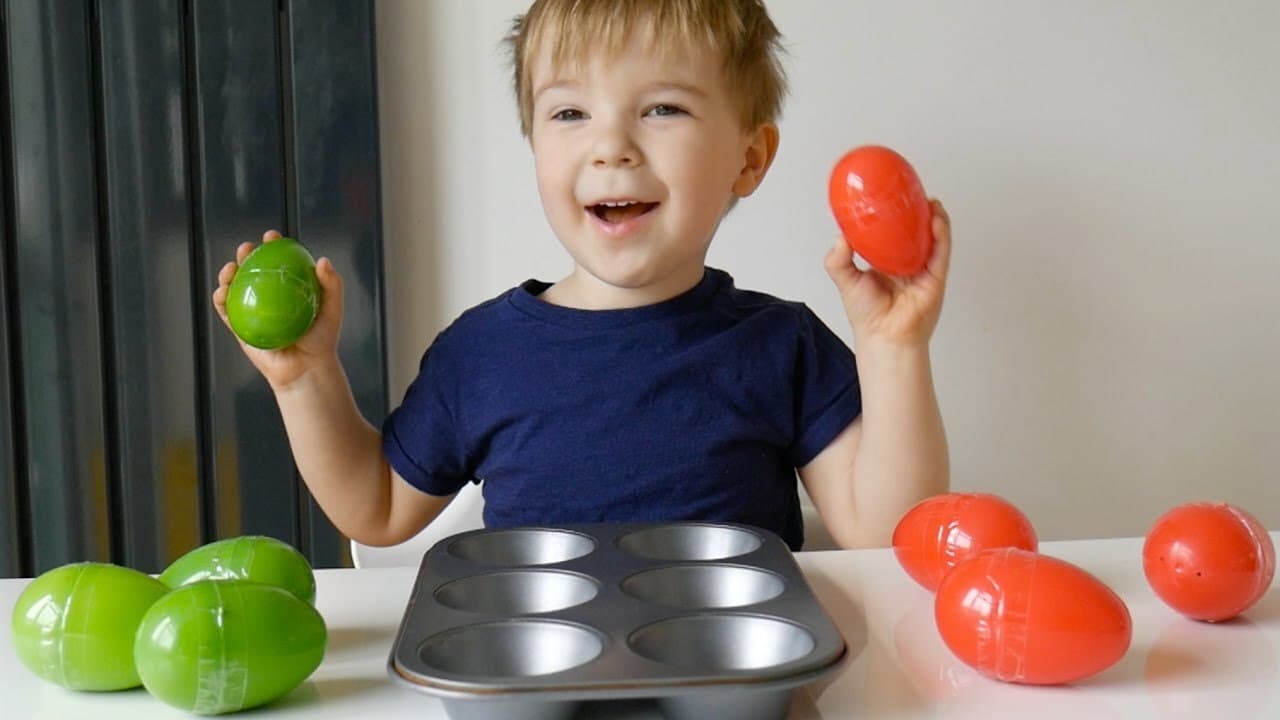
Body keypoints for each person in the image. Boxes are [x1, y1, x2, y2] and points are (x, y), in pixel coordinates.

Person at [212, 0, 951, 552]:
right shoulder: (481, 354)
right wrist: (305, 380)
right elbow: (375, 510)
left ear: (749, 159)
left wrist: (894, 350)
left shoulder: (781, 344)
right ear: (533, 142)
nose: (611, 147)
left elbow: (888, 536)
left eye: (662, 108)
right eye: (569, 113)